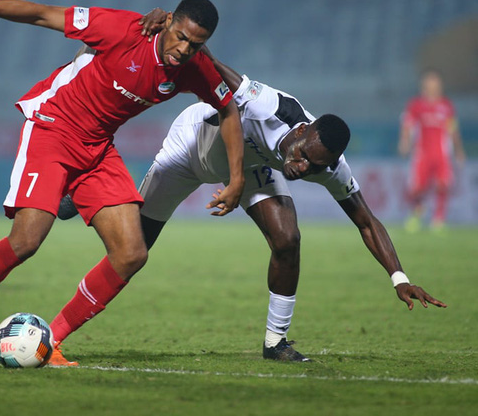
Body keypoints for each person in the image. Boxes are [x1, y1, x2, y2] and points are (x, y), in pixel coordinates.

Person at [0, 0, 246, 366]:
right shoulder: (122, 29)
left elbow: (228, 109)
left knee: (131, 254)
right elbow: (40, 14)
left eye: (195, 45)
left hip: (97, 148)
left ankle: (50, 343)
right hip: (53, 126)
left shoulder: (194, 67)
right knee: (26, 241)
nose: (183, 49)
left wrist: (237, 178)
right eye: (180, 36)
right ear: (168, 22)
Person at [53, 47, 447, 363]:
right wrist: (179, 42)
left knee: (287, 240)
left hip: (251, 164)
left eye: (314, 166)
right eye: (302, 155)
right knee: (131, 252)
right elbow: (212, 66)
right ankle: (82, 188)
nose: (301, 167)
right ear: (303, 130)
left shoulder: (328, 165)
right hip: (190, 148)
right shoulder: (268, 105)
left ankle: (276, 342)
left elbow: (366, 220)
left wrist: (399, 277)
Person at [398, 69, 466, 232]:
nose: (432, 85)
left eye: (435, 82)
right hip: (422, 153)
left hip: (442, 154)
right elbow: (407, 125)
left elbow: (453, 130)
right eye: (429, 82)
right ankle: (417, 212)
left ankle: (438, 219)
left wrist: (459, 150)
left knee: (443, 185)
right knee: (417, 188)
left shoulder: (446, 106)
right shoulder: (416, 105)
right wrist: (404, 142)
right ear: (424, 85)